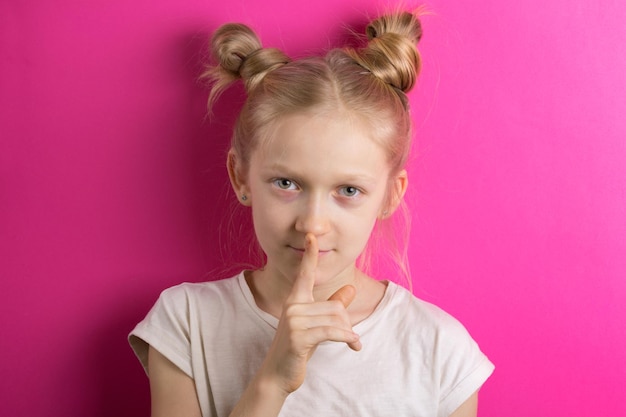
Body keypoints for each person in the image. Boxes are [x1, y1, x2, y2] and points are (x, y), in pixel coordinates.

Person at [129, 9, 494, 417]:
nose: (312, 224)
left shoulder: (440, 349)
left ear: (390, 195)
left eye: (349, 190)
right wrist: (273, 381)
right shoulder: (186, 323)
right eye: (287, 184)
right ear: (241, 177)